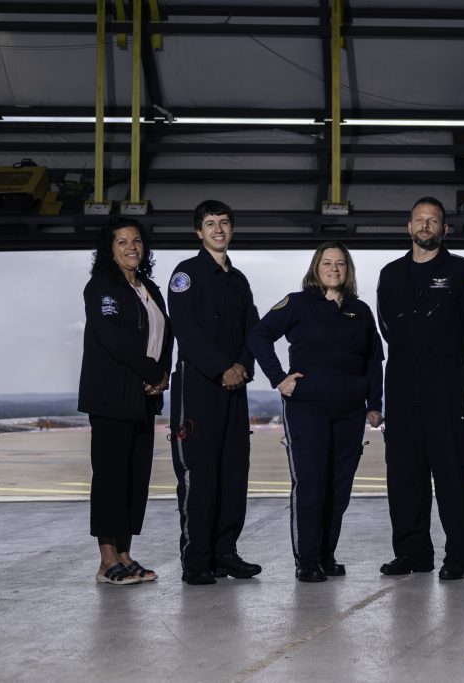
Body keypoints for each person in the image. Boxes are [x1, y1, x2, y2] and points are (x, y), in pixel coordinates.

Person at [249, 242, 384, 583]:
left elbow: (373, 362)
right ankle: (307, 559)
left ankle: (326, 554)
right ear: (316, 267)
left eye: (340, 263)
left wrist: (374, 404)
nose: (334, 268)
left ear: (348, 270)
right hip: (307, 408)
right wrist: (278, 378)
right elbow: (259, 336)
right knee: (310, 484)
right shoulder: (296, 303)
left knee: (339, 487)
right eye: (327, 262)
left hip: (351, 411)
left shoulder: (361, 310)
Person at [376, 196, 464, 580]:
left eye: (433, 221)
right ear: (409, 227)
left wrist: (451, 360)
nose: (425, 226)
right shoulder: (390, 274)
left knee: (452, 479)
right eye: (419, 220)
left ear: (445, 229)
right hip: (400, 391)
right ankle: (413, 554)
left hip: (446, 393)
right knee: (404, 479)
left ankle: (459, 557)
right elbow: (387, 328)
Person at [168, 199, 261, 585]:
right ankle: (196, 558)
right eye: (210, 224)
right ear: (198, 232)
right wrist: (222, 368)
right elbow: (185, 331)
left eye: (224, 223)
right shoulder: (185, 275)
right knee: (199, 472)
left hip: (234, 388)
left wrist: (241, 367)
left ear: (232, 229)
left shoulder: (239, 281)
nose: (218, 229)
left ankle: (226, 552)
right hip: (199, 387)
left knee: (233, 471)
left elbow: (252, 330)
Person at [78, 217, 173, 585]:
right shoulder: (101, 286)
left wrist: (162, 376)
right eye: (122, 241)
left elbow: (166, 336)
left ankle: (126, 554)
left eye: (136, 241)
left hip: (144, 397)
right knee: (110, 478)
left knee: (135, 479)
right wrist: (151, 372)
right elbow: (112, 338)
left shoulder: (149, 288)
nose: (131, 247)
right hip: (111, 397)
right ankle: (106, 561)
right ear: (109, 249)